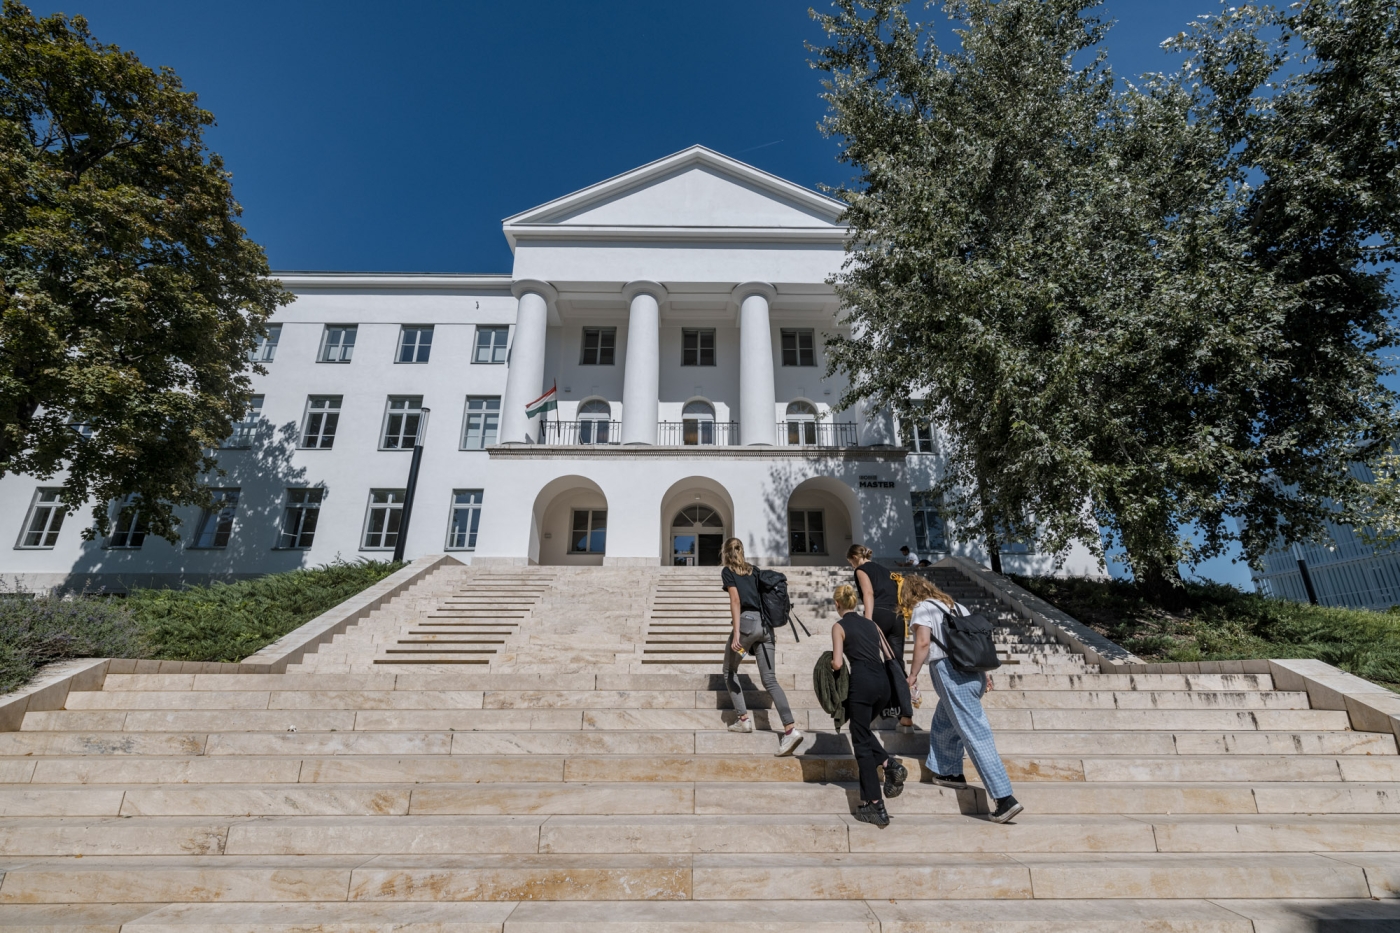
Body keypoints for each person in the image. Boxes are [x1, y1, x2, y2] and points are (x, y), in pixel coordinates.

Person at [903, 573, 1024, 823]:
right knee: (944, 721)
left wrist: (912, 675)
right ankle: (949, 772)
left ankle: (1004, 798)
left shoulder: (922, 608)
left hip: (950, 671)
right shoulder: (957, 606)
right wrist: (984, 675)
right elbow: (974, 643)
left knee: (975, 733)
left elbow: (923, 643)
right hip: (973, 670)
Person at [831, 583, 907, 825]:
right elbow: (888, 653)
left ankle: (876, 804)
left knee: (861, 744)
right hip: (882, 683)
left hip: (862, 682)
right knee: (860, 730)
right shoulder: (871, 624)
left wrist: (828, 666)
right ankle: (889, 764)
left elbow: (837, 663)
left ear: (837, 604)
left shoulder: (839, 626)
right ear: (855, 602)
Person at [721, 537, 803, 756]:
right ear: (742, 551)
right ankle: (790, 730)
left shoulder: (728, 571)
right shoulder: (754, 571)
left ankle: (743, 719)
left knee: (729, 671)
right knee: (770, 679)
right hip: (766, 628)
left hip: (746, 625)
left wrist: (737, 632)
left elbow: (735, 600)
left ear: (726, 553)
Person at [846, 544, 916, 731]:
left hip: (879, 614)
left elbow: (868, 593)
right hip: (897, 617)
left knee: (871, 662)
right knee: (896, 663)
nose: (851, 565)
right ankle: (905, 715)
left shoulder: (861, 570)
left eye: (850, 561)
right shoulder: (886, 571)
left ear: (854, 557)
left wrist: (868, 621)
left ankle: (876, 710)